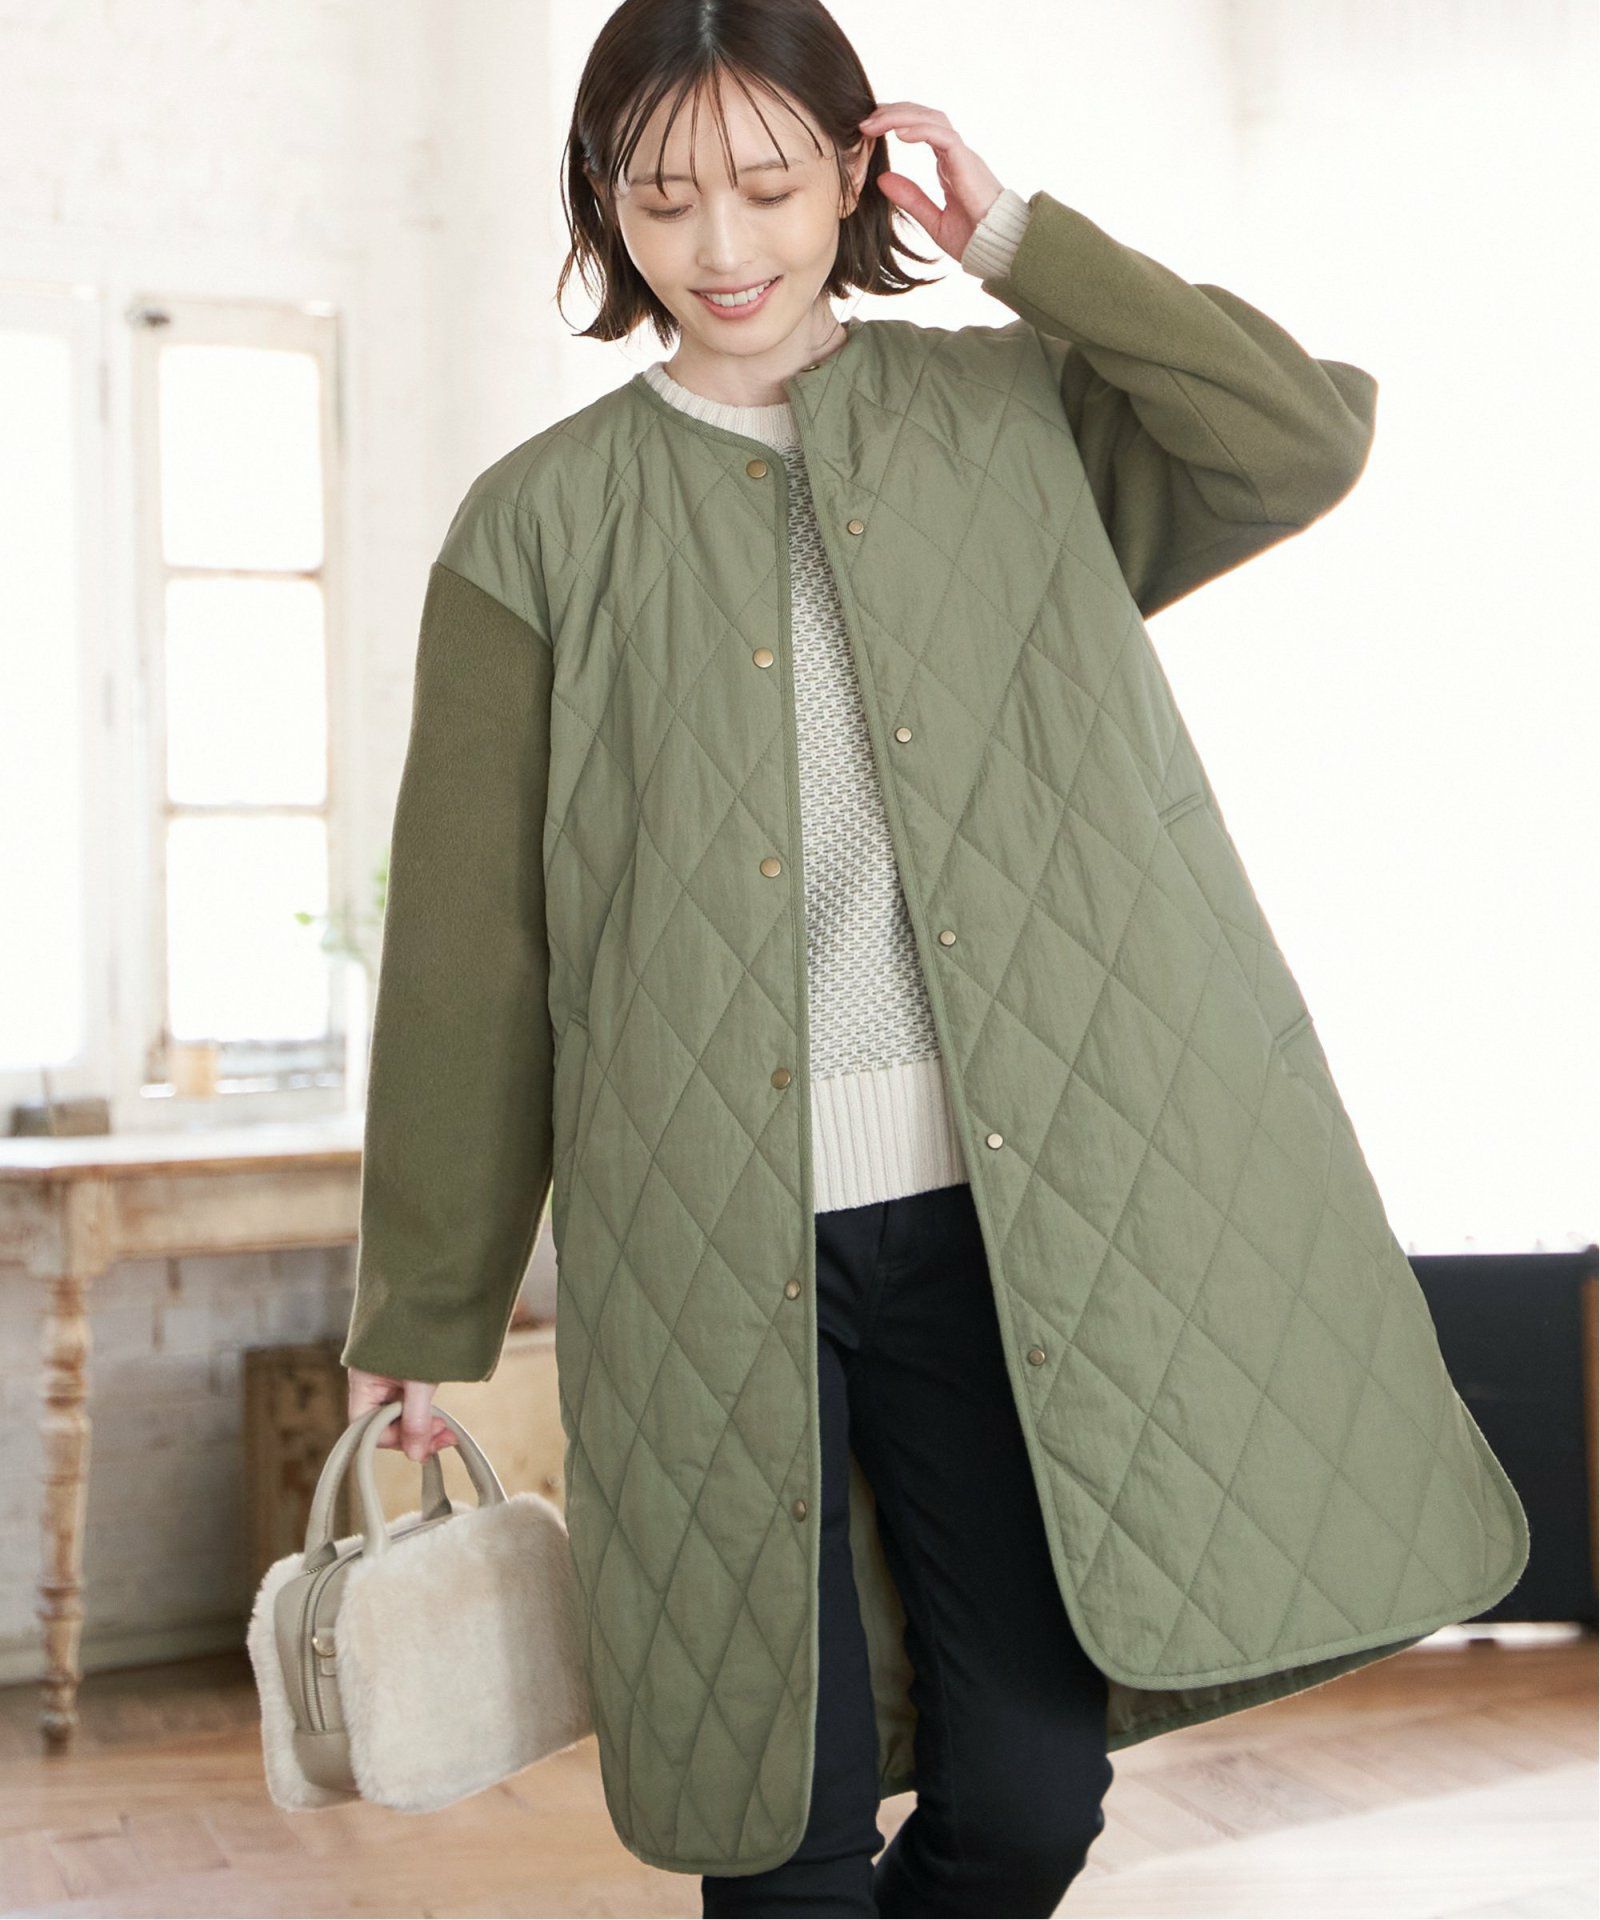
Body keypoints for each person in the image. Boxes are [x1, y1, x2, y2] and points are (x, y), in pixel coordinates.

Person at [344, 1, 1528, 1914]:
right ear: (603, 207)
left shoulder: (1011, 421)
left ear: (855, 169)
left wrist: (1020, 241)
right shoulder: (539, 524)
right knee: (776, 1826)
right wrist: (423, 1315)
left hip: (1005, 1218)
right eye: (663, 197)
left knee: (1033, 1797)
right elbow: (470, 956)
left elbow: (1296, 438)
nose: (721, 245)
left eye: (766, 182)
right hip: (697, 1238)